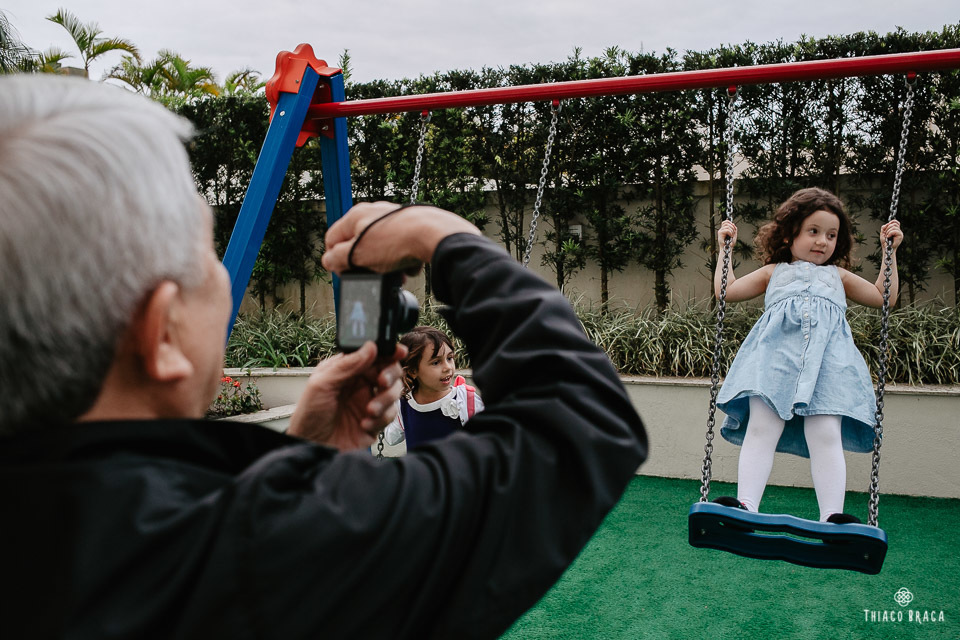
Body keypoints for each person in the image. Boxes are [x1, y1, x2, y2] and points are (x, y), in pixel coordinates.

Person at [0, 75, 647, 638]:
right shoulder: (256, 554)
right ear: (162, 333)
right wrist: (442, 235)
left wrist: (300, 458)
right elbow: (583, 421)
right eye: (207, 256)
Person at [713, 187, 903, 524]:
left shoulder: (838, 276)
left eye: (831, 235)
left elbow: (883, 296)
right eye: (813, 231)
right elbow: (727, 291)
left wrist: (890, 253)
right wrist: (724, 250)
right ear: (789, 234)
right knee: (761, 428)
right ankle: (745, 507)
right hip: (773, 362)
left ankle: (832, 516)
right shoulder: (775, 271)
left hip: (828, 367)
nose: (823, 241)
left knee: (825, 433)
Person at [382, 326, 485, 450]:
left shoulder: (466, 399)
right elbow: (390, 439)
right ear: (413, 371)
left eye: (449, 358)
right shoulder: (403, 405)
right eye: (436, 362)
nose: (447, 367)